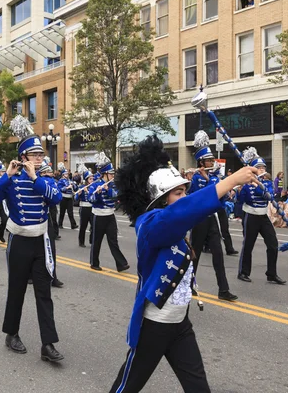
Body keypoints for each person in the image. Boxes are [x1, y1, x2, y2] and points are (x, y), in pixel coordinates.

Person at [111, 135, 261, 393]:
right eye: (177, 193)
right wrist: (230, 180)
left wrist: (229, 188)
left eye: (184, 192)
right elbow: (181, 214)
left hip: (180, 323)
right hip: (155, 325)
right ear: (161, 200)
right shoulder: (150, 225)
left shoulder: (175, 223)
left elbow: (191, 210)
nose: (183, 197)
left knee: (199, 387)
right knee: (127, 387)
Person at [0, 116, 64, 362]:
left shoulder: (45, 180)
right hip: (18, 242)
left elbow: (56, 199)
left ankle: (48, 344)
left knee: (44, 293)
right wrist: (7, 175)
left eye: (41, 154)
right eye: (34, 154)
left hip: (40, 242)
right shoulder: (11, 181)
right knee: (16, 290)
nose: (40, 158)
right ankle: (11, 334)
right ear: (23, 157)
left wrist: (35, 178)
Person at [188, 131, 237, 301]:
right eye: (209, 160)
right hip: (199, 219)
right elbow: (196, 198)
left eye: (212, 160)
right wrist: (202, 179)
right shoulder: (195, 178)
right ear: (201, 162)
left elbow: (219, 196)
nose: (212, 162)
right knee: (194, 255)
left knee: (218, 255)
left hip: (213, 219)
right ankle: (188, 285)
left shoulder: (216, 177)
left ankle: (223, 290)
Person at [237, 147, 286, 285]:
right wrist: (241, 188)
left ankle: (271, 273)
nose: (263, 170)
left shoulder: (267, 183)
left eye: (264, 167)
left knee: (273, 244)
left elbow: (267, 195)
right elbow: (241, 200)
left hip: (263, 216)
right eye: (259, 168)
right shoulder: (247, 184)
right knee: (248, 245)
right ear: (253, 170)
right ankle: (243, 272)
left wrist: (257, 183)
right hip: (250, 216)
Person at [88, 152, 130, 272]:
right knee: (97, 241)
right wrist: (98, 192)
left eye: (113, 173)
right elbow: (90, 199)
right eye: (111, 173)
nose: (113, 175)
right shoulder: (95, 184)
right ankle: (94, 262)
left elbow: (117, 197)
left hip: (110, 215)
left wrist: (108, 190)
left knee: (113, 240)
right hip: (99, 215)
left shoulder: (112, 185)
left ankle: (121, 264)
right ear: (105, 174)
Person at [39, 160, 64, 288]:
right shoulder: (37, 180)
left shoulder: (50, 182)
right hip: (32, 218)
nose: (51, 173)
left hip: (45, 216)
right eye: (48, 171)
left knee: (50, 248)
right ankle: (30, 275)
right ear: (42, 173)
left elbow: (57, 197)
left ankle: (52, 276)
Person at [75, 164, 94, 247]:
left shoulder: (93, 187)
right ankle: (81, 241)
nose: (92, 180)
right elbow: (75, 198)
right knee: (83, 226)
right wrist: (79, 194)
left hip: (92, 208)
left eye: (92, 178)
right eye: (90, 179)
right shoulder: (82, 187)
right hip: (84, 208)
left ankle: (91, 240)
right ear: (86, 180)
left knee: (94, 226)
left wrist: (88, 191)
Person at [57, 163, 78, 230]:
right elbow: (60, 189)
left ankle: (73, 224)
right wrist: (67, 187)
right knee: (62, 212)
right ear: (63, 175)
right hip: (63, 198)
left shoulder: (70, 180)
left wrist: (74, 185)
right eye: (65, 174)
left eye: (67, 174)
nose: (67, 175)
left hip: (69, 198)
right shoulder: (60, 181)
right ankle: (60, 224)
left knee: (70, 212)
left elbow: (75, 189)